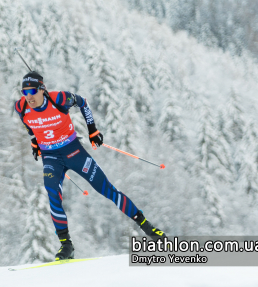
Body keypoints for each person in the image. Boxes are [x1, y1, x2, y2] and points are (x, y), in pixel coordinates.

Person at [14, 71, 167, 260]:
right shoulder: (21, 107)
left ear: (42, 90)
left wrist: (93, 130)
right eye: (24, 92)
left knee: (106, 189)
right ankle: (66, 245)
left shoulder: (59, 99)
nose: (28, 97)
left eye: (32, 91)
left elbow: (83, 103)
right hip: (51, 157)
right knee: (52, 193)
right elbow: (30, 126)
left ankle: (149, 229)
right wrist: (35, 142)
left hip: (73, 152)